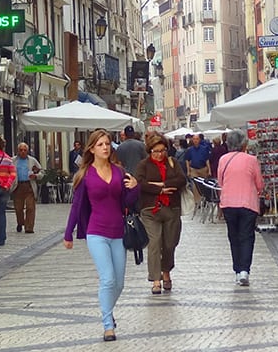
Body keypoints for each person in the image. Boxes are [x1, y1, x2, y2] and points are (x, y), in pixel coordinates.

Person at [64, 129, 139, 342]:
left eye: (107, 143)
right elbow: (77, 206)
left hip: (118, 232)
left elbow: (128, 201)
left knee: (119, 283)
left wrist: (135, 187)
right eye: (100, 144)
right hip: (96, 232)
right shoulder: (85, 175)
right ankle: (107, 324)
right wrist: (68, 233)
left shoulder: (119, 171)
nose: (105, 147)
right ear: (91, 149)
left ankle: (108, 310)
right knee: (107, 279)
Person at [134, 131, 187, 295]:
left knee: (170, 244)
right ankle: (156, 279)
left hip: (172, 209)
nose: (159, 154)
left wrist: (161, 183)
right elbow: (140, 184)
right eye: (156, 151)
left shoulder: (173, 163)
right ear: (150, 151)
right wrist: (160, 189)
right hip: (150, 209)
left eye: (162, 150)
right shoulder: (143, 165)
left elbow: (181, 180)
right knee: (155, 242)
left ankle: (166, 271)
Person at [217, 129, 264, 287]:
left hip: (228, 202)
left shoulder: (223, 159)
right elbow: (259, 183)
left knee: (233, 236)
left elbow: (220, 181)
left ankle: (237, 270)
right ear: (244, 144)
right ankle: (244, 270)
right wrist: (259, 190)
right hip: (247, 203)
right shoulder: (251, 160)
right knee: (247, 236)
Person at [12, 142, 42, 234]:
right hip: (18, 186)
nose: (23, 152)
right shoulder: (13, 160)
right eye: (21, 150)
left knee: (30, 207)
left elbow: (41, 171)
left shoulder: (32, 160)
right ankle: (20, 222)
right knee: (18, 208)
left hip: (29, 185)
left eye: (25, 150)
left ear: (28, 151)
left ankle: (29, 227)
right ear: (18, 151)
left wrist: (36, 176)